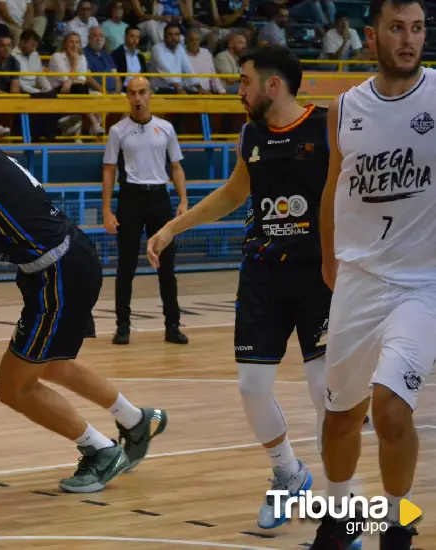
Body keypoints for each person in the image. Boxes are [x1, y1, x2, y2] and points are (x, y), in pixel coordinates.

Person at [0, 74, 168, 493]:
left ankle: (100, 450)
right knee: (50, 361)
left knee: (11, 386)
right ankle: (137, 421)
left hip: (57, 269)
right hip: (61, 260)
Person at [147, 45, 333, 530]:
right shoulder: (250, 135)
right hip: (262, 275)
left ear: (273, 85)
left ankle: (337, 511)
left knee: (324, 391)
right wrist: (172, 228)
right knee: (252, 387)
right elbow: (234, 193)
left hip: (321, 276)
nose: (238, 91)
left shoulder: (328, 126)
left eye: (244, 81)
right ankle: (287, 473)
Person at [313, 0, 434, 547]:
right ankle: (339, 522)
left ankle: (396, 528)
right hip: (359, 279)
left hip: (422, 284)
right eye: (397, 29)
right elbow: (334, 186)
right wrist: (328, 258)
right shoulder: (344, 108)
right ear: (373, 36)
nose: (409, 40)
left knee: (390, 407)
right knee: (339, 417)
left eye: (417, 29)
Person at [102, 76, 188, 346]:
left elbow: (175, 166)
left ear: (150, 95)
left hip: (159, 198)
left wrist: (183, 200)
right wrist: (106, 210)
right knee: (126, 266)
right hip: (131, 198)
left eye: (142, 92)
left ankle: (172, 325)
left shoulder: (166, 129)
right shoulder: (118, 131)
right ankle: (122, 326)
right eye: (132, 93)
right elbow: (109, 170)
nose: (137, 98)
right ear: (127, 97)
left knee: (166, 265)